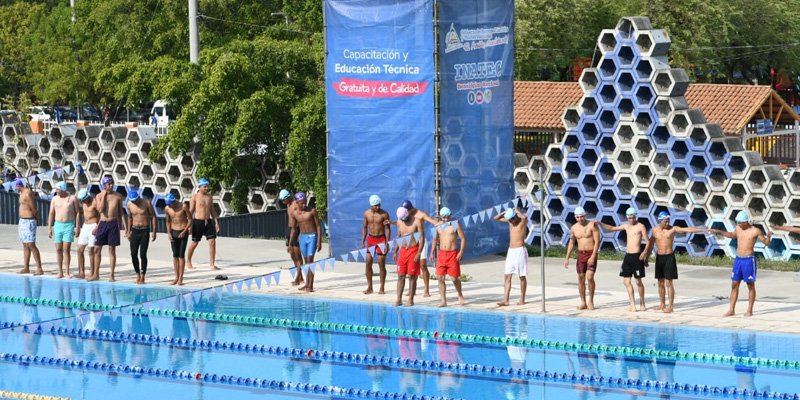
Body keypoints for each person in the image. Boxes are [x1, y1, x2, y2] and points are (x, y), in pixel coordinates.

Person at [643, 211, 708, 313]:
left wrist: (702, 229)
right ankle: (662, 304)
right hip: (659, 258)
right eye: (665, 221)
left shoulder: (673, 229)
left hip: (669, 257)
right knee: (660, 282)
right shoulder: (655, 231)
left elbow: (687, 229)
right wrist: (646, 258)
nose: (667, 223)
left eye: (668, 221)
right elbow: (651, 245)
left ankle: (670, 306)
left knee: (669, 282)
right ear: (660, 221)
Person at [709, 211, 771, 317]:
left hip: (749, 260)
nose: (738, 224)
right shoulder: (738, 228)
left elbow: (766, 243)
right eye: (737, 222)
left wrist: (769, 236)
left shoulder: (755, 231)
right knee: (734, 284)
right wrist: (719, 231)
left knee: (750, 285)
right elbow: (732, 235)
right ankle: (731, 309)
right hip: (738, 260)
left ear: (746, 222)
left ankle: (749, 310)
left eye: (740, 222)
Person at [597, 207, 650, 312]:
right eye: (629, 218)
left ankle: (642, 303)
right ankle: (632, 304)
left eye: (633, 217)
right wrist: (600, 223)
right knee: (626, 281)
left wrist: (644, 253)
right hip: (628, 256)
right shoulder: (626, 226)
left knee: (638, 281)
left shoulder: (640, 226)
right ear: (627, 218)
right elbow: (611, 228)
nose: (631, 219)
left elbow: (648, 242)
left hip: (637, 256)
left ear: (636, 216)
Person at [563, 206, 600, 310]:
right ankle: (583, 302)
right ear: (575, 217)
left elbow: (597, 241)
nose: (580, 219)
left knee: (590, 277)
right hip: (581, 254)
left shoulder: (592, 225)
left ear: (585, 216)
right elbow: (571, 242)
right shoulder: (574, 228)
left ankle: (591, 301)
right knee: (580, 278)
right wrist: (567, 258)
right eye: (578, 217)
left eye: (582, 217)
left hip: (591, 253)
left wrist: (593, 255)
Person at [401, 200, 440, 297]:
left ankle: (426, 290)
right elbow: (399, 223)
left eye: (407, 211)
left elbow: (432, 221)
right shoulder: (405, 215)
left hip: (421, 241)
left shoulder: (420, 214)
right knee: (411, 266)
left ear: (410, 209)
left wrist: (441, 223)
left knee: (423, 266)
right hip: (410, 242)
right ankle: (411, 290)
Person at [430, 207, 466, 307]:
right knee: (440, 278)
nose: (445, 219)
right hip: (441, 254)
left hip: (452, 254)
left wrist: (461, 252)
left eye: (447, 217)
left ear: (450, 216)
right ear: (441, 217)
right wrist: (432, 252)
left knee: (454, 278)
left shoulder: (455, 225)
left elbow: (463, 239)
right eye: (443, 218)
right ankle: (443, 301)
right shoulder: (438, 226)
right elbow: (434, 240)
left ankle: (460, 294)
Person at [93, 176, 126, 282]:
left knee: (112, 250)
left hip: (113, 223)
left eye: (112, 183)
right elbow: (100, 209)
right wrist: (103, 196)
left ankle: (111, 275)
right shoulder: (98, 196)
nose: (111, 185)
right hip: (102, 223)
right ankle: (96, 274)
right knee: (97, 249)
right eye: (109, 184)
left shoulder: (118, 196)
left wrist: (125, 227)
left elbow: (121, 212)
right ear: (104, 185)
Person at [493, 208, 529, 306]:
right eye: (509, 220)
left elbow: (525, 217)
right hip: (511, 252)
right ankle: (505, 300)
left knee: (522, 276)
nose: (511, 222)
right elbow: (496, 218)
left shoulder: (522, 222)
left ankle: (522, 299)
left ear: (515, 217)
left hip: (520, 251)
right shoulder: (510, 222)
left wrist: (516, 210)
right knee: (507, 276)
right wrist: (505, 212)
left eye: (512, 219)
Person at [290, 192, 322, 292]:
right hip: (302, 238)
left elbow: (318, 226)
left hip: (312, 236)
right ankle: (307, 284)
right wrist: (291, 242)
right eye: (302, 203)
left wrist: (319, 241)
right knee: (305, 262)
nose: (304, 205)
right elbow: (294, 229)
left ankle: (310, 286)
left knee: (310, 260)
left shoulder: (312, 211)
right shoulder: (294, 213)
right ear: (297, 203)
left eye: (305, 203)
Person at [48, 181, 80, 278]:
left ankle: (67, 271)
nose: (56, 191)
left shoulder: (72, 199)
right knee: (58, 249)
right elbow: (51, 213)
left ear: (63, 189)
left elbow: (78, 213)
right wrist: (49, 227)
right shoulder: (54, 199)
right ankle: (60, 271)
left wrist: (77, 227)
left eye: (58, 189)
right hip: (57, 225)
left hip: (69, 225)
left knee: (66, 249)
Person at [187, 178, 221, 270]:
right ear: (199, 187)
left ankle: (212, 264)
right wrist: (189, 225)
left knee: (212, 242)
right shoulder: (194, 197)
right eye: (205, 186)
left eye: (207, 186)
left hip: (208, 221)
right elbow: (190, 211)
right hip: (198, 222)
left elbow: (212, 210)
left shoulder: (209, 197)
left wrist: (216, 222)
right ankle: (188, 261)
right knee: (195, 242)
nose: (206, 188)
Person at [393, 207, 424, 306]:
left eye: (405, 218)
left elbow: (422, 238)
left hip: (413, 251)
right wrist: (395, 251)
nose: (404, 221)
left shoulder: (417, 221)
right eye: (402, 219)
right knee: (400, 276)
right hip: (402, 251)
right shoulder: (399, 222)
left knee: (412, 276)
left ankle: (410, 299)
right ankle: (398, 299)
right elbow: (399, 237)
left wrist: (419, 253)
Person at [125, 188, 157, 284]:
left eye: (135, 200)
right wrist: (128, 231)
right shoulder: (129, 205)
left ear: (138, 197)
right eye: (133, 201)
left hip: (144, 230)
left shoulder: (146, 203)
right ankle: (137, 273)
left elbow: (154, 217)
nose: (135, 202)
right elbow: (130, 218)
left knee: (143, 254)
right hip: (135, 230)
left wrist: (154, 232)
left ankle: (143, 275)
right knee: (133, 254)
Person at [362, 194, 391, 295]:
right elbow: (365, 227)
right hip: (370, 239)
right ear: (371, 205)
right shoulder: (366, 214)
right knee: (368, 262)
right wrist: (363, 240)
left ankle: (382, 287)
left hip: (381, 239)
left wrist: (387, 243)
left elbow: (387, 229)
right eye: (376, 205)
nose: (378, 207)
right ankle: (370, 287)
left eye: (379, 205)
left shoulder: (384, 214)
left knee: (381, 263)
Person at [16, 179, 43, 276]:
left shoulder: (27, 193)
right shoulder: (21, 193)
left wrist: (36, 219)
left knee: (31, 245)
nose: (15, 187)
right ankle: (26, 267)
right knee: (25, 245)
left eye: (16, 185)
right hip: (22, 221)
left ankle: (39, 268)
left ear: (20, 185)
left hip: (29, 221)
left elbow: (33, 208)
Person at [165, 193, 191, 285]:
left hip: (183, 232)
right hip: (173, 232)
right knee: (175, 255)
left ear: (174, 201)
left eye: (170, 204)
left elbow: (190, 219)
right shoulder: (167, 208)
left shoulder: (183, 206)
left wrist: (185, 231)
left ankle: (181, 278)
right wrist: (168, 233)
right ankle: (176, 277)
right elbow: (168, 221)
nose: (169, 206)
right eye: (168, 204)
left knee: (181, 256)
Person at [279, 189, 304, 286]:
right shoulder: (288, 205)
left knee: (298, 255)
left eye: (283, 200)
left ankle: (298, 278)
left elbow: (301, 220)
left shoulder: (296, 205)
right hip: (289, 230)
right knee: (293, 255)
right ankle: (300, 277)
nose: (282, 202)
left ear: (288, 197)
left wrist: (301, 233)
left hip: (296, 230)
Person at [76, 189, 99, 280]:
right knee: (79, 249)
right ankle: (81, 272)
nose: (84, 202)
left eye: (84, 200)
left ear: (88, 196)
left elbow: (101, 214)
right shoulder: (83, 203)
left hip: (94, 226)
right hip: (85, 226)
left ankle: (92, 272)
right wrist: (77, 226)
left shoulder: (95, 202)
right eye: (82, 201)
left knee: (91, 250)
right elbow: (79, 213)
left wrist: (97, 227)